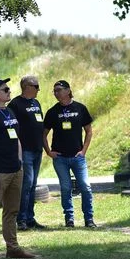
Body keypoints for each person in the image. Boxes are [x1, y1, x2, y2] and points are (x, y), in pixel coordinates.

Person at [0, 78, 37, 259]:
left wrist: (20, 162)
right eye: (5, 89)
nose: (10, 91)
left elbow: (16, 138)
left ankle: (13, 248)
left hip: (15, 170)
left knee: (12, 210)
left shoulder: (9, 112)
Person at [43, 79, 96, 228]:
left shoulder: (80, 108)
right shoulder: (52, 112)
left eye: (59, 90)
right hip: (60, 158)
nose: (56, 93)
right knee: (66, 188)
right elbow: (43, 134)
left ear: (68, 91)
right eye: (54, 91)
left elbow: (89, 131)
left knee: (85, 186)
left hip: (77, 157)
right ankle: (69, 218)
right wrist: (49, 152)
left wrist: (83, 151)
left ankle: (89, 219)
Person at [9, 74, 48, 231]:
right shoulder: (15, 104)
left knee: (33, 185)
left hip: (37, 149)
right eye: (36, 86)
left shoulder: (36, 103)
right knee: (26, 184)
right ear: (27, 87)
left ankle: (30, 218)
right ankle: (21, 219)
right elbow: (12, 128)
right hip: (25, 150)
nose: (39, 89)